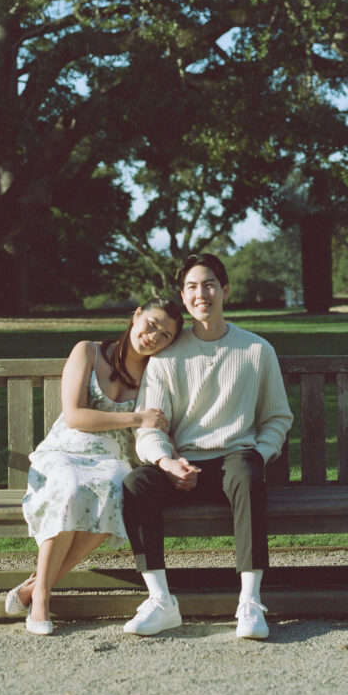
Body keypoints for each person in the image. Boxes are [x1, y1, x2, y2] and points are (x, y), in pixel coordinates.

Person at [121, 253, 293, 640]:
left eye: (210, 284)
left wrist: (259, 454)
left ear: (225, 290)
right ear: (184, 298)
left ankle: (249, 603)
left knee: (248, 473)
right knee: (136, 484)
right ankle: (161, 601)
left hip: (236, 460)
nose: (203, 294)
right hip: (183, 465)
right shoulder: (164, 357)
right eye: (193, 287)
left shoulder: (256, 350)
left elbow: (278, 418)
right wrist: (166, 462)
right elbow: (148, 427)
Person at [6, 297, 185, 635]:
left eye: (164, 336)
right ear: (136, 316)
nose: (152, 337)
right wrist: (136, 416)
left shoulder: (155, 372)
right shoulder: (87, 352)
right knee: (71, 487)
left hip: (112, 459)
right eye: (151, 325)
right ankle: (42, 599)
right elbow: (75, 416)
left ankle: (34, 588)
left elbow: (160, 422)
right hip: (65, 451)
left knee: (118, 489)